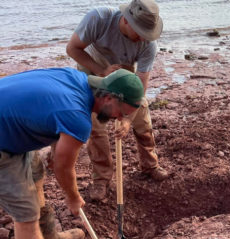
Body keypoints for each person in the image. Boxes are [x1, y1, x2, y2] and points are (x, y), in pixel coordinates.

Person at [0, 67, 144, 239]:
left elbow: (50, 119)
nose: (119, 119)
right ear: (109, 97)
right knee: (26, 216)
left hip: (10, 126)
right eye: (121, 113)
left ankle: (50, 236)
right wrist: (74, 198)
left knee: (35, 171)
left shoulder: (77, 79)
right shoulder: (76, 116)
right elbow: (62, 168)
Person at [66, 0, 168, 201]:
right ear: (127, 20)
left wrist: (128, 118)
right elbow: (73, 49)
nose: (142, 38)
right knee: (96, 125)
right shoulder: (99, 18)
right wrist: (101, 71)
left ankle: (150, 165)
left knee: (143, 118)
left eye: (147, 34)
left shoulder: (148, 44)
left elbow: (141, 84)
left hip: (125, 73)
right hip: (94, 68)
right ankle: (101, 179)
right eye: (139, 32)